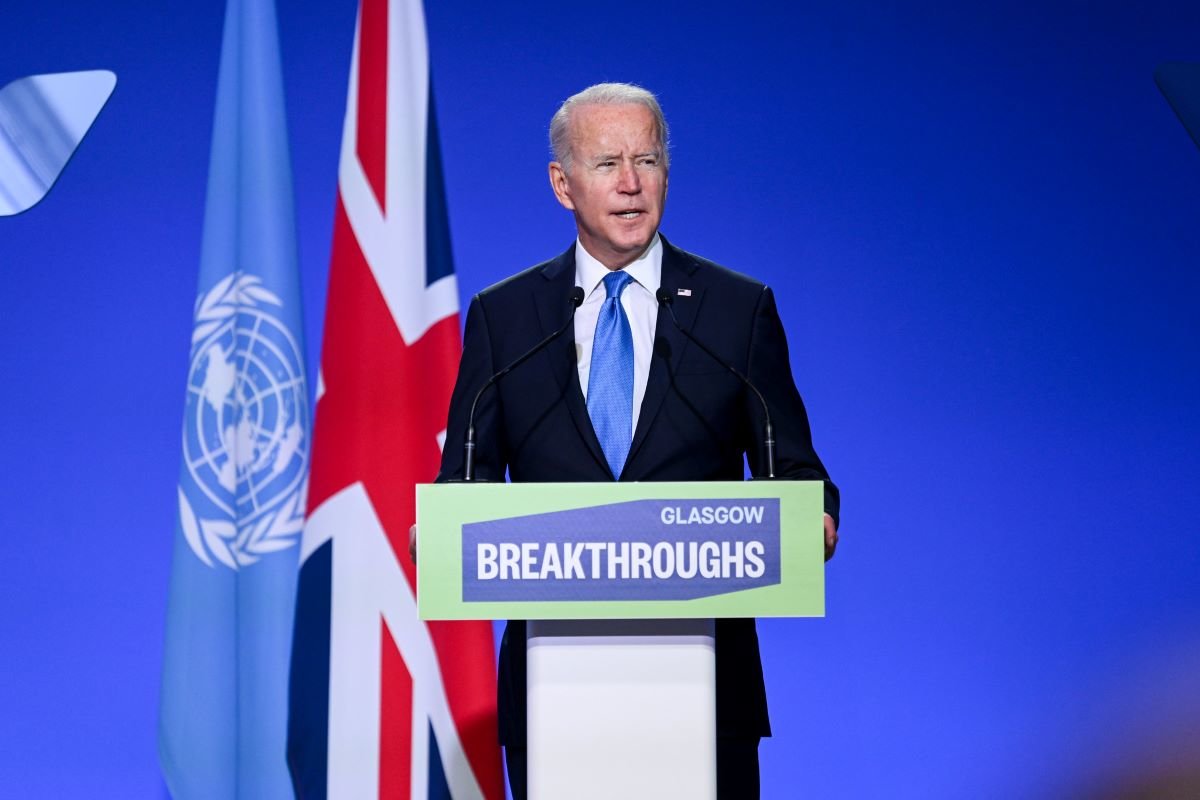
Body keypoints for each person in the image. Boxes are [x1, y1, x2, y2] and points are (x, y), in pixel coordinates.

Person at [435, 82, 840, 800]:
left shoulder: (735, 312)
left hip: (706, 695)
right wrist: (433, 539)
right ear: (563, 184)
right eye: (607, 164)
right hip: (554, 700)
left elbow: (797, 472)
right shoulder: (508, 320)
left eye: (647, 160)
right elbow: (461, 491)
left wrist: (813, 515)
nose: (630, 183)